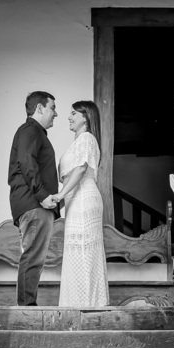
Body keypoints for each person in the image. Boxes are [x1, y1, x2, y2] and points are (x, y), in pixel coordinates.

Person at [44, 100, 109, 307]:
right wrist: (59, 203)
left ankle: (89, 305)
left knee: (84, 251)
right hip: (74, 201)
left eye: (74, 113)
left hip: (84, 199)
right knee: (76, 252)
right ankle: (76, 304)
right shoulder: (77, 142)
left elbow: (81, 169)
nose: (69, 117)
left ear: (86, 117)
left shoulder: (87, 138)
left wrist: (60, 195)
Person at [8, 91, 60, 306]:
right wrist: (42, 196)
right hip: (34, 203)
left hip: (33, 203)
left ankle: (27, 306)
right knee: (32, 257)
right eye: (52, 108)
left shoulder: (34, 132)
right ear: (39, 108)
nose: (55, 114)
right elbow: (26, 162)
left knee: (34, 257)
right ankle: (26, 309)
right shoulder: (31, 130)